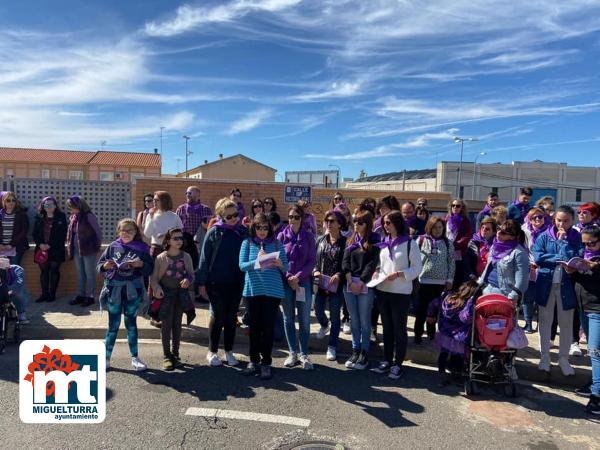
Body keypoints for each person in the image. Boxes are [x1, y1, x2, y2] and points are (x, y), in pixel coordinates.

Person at [371, 211, 422, 379]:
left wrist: (399, 274)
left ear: (397, 223)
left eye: (389, 223)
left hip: (400, 292)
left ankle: (398, 363)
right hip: (383, 290)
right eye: (384, 223)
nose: (385, 226)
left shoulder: (410, 244)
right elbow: (382, 264)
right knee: (387, 328)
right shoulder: (384, 243)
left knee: (399, 329)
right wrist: (377, 272)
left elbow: (417, 269)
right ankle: (386, 360)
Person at [533, 205, 583, 376]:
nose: (562, 224)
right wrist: (558, 258)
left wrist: (563, 244)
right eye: (559, 220)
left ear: (572, 220)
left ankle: (563, 359)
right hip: (546, 283)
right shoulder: (544, 236)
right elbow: (538, 257)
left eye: (566, 221)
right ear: (554, 219)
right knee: (545, 321)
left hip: (566, 285)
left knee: (566, 323)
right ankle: (545, 357)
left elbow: (577, 256)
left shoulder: (576, 236)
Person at [97, 219, 154, 371]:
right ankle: (106, 359)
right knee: (113, 326)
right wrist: (104, 266)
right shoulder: (112, 246)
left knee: (131, 324)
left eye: (130, 230)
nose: (127, 233)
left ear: (136, 232)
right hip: (114, 291)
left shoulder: (142, 248)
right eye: (124, 230)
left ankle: (135, 358)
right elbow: (99, 265)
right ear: (118, 232)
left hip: (132, 291)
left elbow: (150, 269)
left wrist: (141, 264)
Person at [197, 198, 247, 367]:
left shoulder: (243, 232)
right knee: (218, 316)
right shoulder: (214, 232)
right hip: (215, 282)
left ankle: (229, 351)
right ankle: (211, 351)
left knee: (231, 317)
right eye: (229, 216)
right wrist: (201, 283)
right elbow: (204, 259)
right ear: (220, 216)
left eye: (235, 215)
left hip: (237, 281)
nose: (233, 218)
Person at [239, 213, 288, 380]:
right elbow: (242, 266)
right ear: (254, 227)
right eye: (259, 227)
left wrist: (280, 264)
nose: (262, 231)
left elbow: (286, 267)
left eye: (265, 228)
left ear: (270, 229)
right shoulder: (247, 243)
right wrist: (258, 261)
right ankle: (253, 361)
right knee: (254, 328)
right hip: (253, 291)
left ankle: (266, 362)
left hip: (272, 291)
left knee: (268, 328)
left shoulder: (277, 243)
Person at [150, 227, 195, 371]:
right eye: (175, 238)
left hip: (180, 296)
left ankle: (175, 355)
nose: (179, 241)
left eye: (181, 238)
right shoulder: (161, 258)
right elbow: (154, 278)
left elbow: (191, 274)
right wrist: (156, 289)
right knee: (166, 326)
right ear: (168, 240)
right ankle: (166, 356)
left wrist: (188, 280)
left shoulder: (186, 256)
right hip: (166, 297)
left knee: (177, 325)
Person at [278, 204, 317, 370]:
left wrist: (298, 277)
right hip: (286, 282)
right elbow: (278, 260)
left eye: (296, 217)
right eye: (291, 217)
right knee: (288, 318)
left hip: (303, 282)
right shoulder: (281, 236)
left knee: (305, 320)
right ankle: (292, 352)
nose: (293, 220)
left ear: (302, 219)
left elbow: (311, 261)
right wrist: (288, 276)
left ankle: (304, 354)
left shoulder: (308, 237)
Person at [567, 226, 600, 414]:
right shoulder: (583, 255)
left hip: (597, 309)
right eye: (585, 243)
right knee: (593, 351)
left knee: (596, 352)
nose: (588, 246)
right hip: (584, 307)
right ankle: (595, 384)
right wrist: (571, 269)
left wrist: (594, 267)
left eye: (592, 243)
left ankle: (597, 394)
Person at [342, 210, 380, 370]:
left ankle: (364, 353)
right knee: (354, 320)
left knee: (365, 321)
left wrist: (361, 283)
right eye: (355, 221)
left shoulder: (373, 242)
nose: (356, 225)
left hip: (365, 286)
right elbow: (345, 262)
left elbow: (372, 264)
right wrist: (351, 282)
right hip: (350, 285)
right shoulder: (351, 241)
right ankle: (355, 350)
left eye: (360, 222)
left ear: (368, 224)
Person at [427, 280, 478, 386]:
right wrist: (471, 304)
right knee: (458, 356)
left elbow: (434, 303)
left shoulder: (448, 296)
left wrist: (431, 314)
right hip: (459, 336)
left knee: (444, 353)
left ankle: (441, 373)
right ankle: (456, 375)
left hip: (444, 333)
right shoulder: (467, 302)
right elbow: (465, 318)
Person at [313, 210, 347, 361]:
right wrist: (315, 271)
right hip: (321, 283)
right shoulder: (320, 240)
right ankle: (323, 324)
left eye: (332, 221)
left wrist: (339, 275)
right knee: (318, 310)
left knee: (335, 317)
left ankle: (332, 346)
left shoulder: (346, 242)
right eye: (327, 220)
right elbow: (313, 259)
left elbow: (348, 263)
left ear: (339, 224)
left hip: (336, 285)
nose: (328, 223)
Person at [415, 217, 455, 344]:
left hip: (440, 284)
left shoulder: (448, 243)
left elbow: (451, 262)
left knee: (434, 311)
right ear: (429, 227)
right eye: (434, 227)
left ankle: (432, 335)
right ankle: (418, 334)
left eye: (440, 227)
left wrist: (450, 279)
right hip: (423, 282)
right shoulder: (421, 240)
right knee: (421, 310)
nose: (437, 230)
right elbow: (415, 260)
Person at [66, 196, 102, 307]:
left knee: (89, 273)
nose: (70, 210)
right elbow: (71, 233)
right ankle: (81, 295)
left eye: (72, 207)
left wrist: (97, 245)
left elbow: (98, 232)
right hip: (76, 249)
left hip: (89, 249)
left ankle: (90, 296)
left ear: (79, 206)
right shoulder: (73, 217)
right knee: (80, 274)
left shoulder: (89, 216)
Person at [32, 196, 67, 303]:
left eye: (51, 204)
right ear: (43, 206)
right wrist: (40, 244)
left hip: (56, 249)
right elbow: (35, 233)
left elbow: (62, 234)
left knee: (54, 271)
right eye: (46, 205)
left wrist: (50, 245)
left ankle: (52, 294)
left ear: (55, 206)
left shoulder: (61, 216)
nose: (49, 207)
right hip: (41, 249)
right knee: (44, 272)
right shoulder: (39, 217)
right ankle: (44, 294)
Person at [521, 207, 550, 333]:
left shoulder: (549, 231)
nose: (538, 219)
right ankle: (528, 323)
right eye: (534, 217)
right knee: (527, 297)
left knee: (542, 298)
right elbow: (522, 247)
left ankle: (541, 325)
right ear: (530, 219)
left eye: (540, 217)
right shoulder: (524, 230)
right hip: (529, 267)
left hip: (543, 267)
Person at [175, 186, 212, 269]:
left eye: (190, 193)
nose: (187, 195)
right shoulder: (181, 209)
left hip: (200, 240)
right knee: (183, 265)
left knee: (198, 264)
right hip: (184, 241)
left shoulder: (206, 209)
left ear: (198, 195)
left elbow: (209, 226)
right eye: (186, 193)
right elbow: (176, 227)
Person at [144, 191, 183, 257]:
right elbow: (147, 234)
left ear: (164, 201)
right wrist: (151, 217)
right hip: (156, 248)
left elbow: (180, 233)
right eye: (154, 200)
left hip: (171, 248)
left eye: (157, 200)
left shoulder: (174, 216)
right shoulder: (150, 215)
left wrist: (167, 235)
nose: (154, 202)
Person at [446, 199, 472, 288]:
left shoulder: (465, 221)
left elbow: (467, 236)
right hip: (446, 251)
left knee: (457, 276)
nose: (455, 208)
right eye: (453, 205)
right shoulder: (447, 219)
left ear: (462, 208)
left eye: (458, 206)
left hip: (458, 252)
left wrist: (454, 245)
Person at [0, 191, 29, 265]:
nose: (11, 202)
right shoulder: (0, 214)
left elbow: (24, 231)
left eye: (13, 200)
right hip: (1, 248)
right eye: (8, 200)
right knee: (3, 272)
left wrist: (12, 244)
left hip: (16, 248)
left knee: (14, 270)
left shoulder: (21, 214)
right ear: (4, 202)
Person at [0, 258, 32, 324]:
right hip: (3, 292)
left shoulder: (17, 269)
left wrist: (7, 290)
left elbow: (19, 283)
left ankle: (21, 313)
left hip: (14, 292)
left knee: (18, 292)